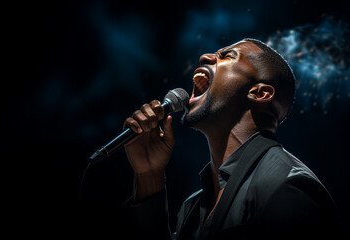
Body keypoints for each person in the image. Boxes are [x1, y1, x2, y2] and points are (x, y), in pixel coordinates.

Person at [121, 38, 339, 239]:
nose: (205, 57)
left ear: (259, 93)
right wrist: (149, 175)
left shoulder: (286, 187)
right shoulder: (193, 207)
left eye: (227, 56)